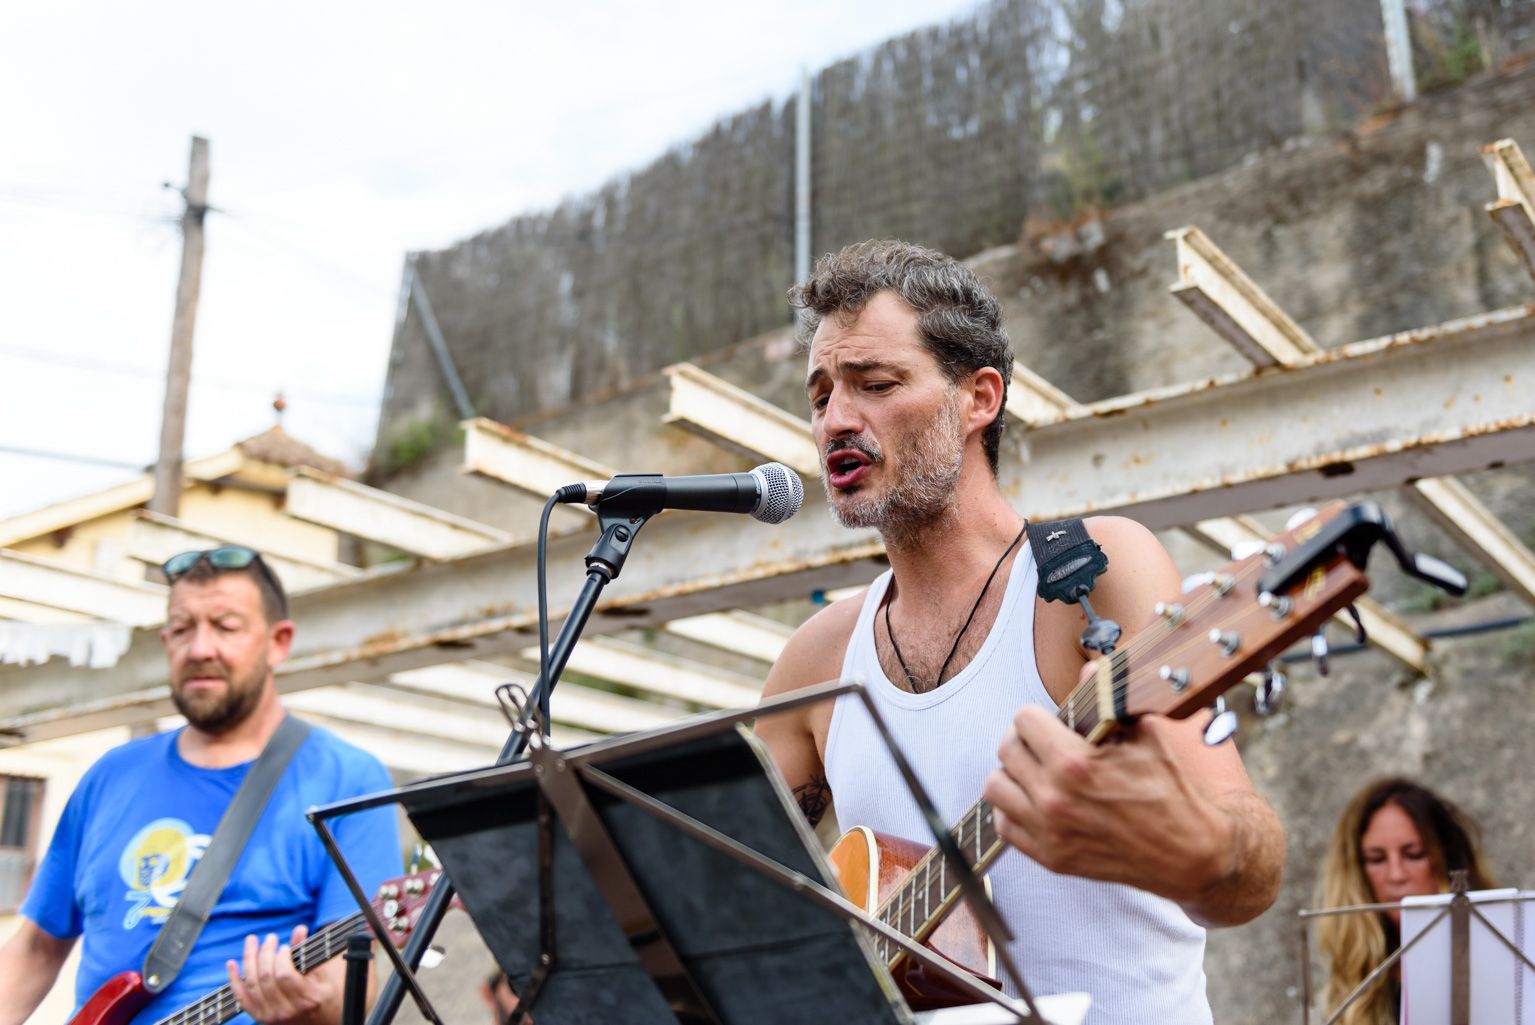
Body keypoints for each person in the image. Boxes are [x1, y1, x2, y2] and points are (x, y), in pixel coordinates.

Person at [755, 239, 1285, 1023]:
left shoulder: (1089, 578)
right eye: (821, 392)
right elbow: (720, 909)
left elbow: (1250, 871)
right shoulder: (820, 656)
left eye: (875, 384)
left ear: (979, 398)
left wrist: (1180, 841)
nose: (837, 418)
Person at [0, 546, 401, 1025]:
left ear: (279, 641)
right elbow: (38, 946)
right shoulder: (109, 776)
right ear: (167, 641)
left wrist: (305, 1009)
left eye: (226, 627)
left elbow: (351, 992)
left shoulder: (348, 779)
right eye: (183, 628)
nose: (200, 648)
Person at [1316, 777, 1497, 1025]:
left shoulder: (1498, 956)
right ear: (1357, 871)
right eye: (1376, 859)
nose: (1396, 875)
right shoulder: (1358, 978)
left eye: (1414, 855)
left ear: (1447, 861)